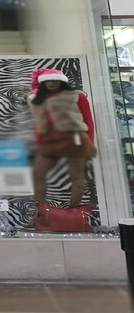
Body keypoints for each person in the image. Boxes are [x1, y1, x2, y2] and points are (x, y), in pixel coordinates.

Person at [27, 68, 96, 226]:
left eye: (54, 80)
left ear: (62, 81)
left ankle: (74, 213)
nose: (51, 83)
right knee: (37, 174)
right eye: (47, 81)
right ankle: (39, 213)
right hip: (50, 140)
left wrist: (89, 144)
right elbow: (39, 124)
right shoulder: (39, 99)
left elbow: (88, 120)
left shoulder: (77, 96)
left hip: (75, 138)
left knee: (77, 175)